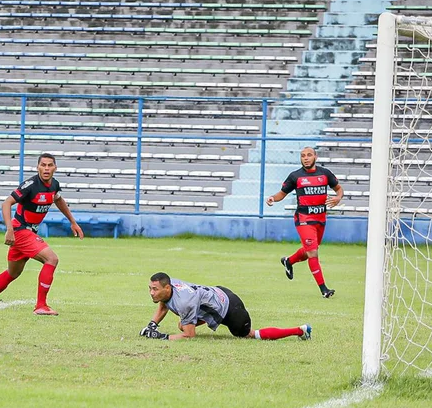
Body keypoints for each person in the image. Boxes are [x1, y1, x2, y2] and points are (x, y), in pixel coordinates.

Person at [0, 153, 84, 315]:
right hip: (20, 231)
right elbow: (6, 203)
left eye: (50, 165)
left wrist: (72, 221)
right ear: (37, 167)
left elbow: (58, 199)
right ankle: (41, 306)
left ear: (55, 168)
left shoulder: (54, 185)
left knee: (13, 273)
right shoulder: (30, 185)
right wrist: (9, 229)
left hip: (27, 232)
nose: (46, 168)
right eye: (43, 165)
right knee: (51, 259)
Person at [266, 146, 343, 298]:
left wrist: (338, 198)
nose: (306, 158)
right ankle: (324, 290)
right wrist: (272, 198)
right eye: (303, 156)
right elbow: (282, 193)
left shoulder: (325, 174)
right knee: (313, 252)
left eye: (309, 155)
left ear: (316, 157)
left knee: (310, 250)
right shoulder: (295, 176)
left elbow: (339, 189)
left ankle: (289, 261)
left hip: (320, 219)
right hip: (304, 219)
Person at [140, 272, 311, 341]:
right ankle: (210, 316)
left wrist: (160, 336)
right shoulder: (171, 284)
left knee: (250, 335)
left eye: (155, 289)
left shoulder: (184, 301)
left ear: (167, 287)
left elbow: (189, 336)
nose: (151, 293)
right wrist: (151, 325)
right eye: (150, 288)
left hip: (232, 310)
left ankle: (300, 330)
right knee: (181, 323)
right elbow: (164, 304)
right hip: (218, 292)